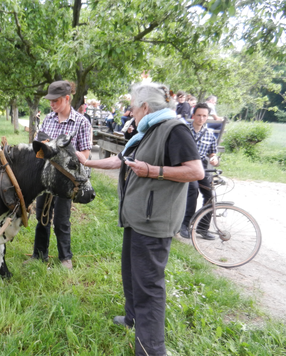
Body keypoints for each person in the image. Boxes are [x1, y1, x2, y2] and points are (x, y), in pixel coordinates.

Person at [75, 82, 204, 356]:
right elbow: (120, 161)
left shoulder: (174, 129)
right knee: (131, 275)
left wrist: (153, 171)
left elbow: (195, 171)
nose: (130, 112)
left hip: (154, 221)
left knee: (149, 286)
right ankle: (132, 319)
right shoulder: (147, 131)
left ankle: (152, 349)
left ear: (145, 107)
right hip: (137, 218)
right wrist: (86, 163)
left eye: (132, 107)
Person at [26, 80, 92, 270]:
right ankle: (39, 254)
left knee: (62, 218)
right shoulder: (48, 119)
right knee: (42, 215)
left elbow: (85, 155)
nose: (52, 104)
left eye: (55, 100)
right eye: (50, 101)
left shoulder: (81, 122)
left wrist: (64, 152)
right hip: (47, 176)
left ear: (67, 98)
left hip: (66, 179)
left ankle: (65, 257)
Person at [179, 103, 219, 240]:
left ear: (207, 117)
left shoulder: (209, 134)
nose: (201, 118)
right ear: (193, 115)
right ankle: (184, 224)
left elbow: (212, 153)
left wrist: (214, 159)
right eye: (199, 115)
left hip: (200, 166)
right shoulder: (184, 131)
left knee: (210, 193)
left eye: (204, 116)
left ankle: (202, 227)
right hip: (185, 165)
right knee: (193, 189)